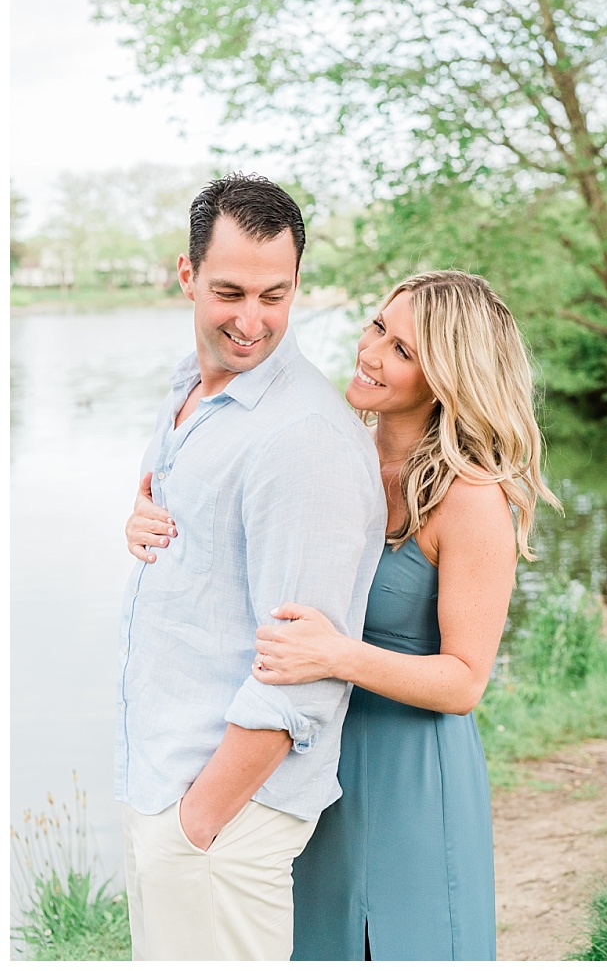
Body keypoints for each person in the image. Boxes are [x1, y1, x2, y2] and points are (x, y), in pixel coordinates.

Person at [129, 269, 559, 959]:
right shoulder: (331, 449)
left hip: (407, 768)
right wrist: (152, 519)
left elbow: (465, 681)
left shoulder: (471, 498)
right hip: (307, 753)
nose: (371, 352)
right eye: (378, 327)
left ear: (447, 377)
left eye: (403, 351)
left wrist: (339, 656)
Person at [116, 174, 386, 960]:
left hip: (220, 817)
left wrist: (199, 823)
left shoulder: (302, 439)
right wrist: (142, 525)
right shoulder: (192, 392)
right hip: (164, 781)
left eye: (275, 295)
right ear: (187, 274)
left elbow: (302, 671)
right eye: (229, 292)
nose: (251, 320)